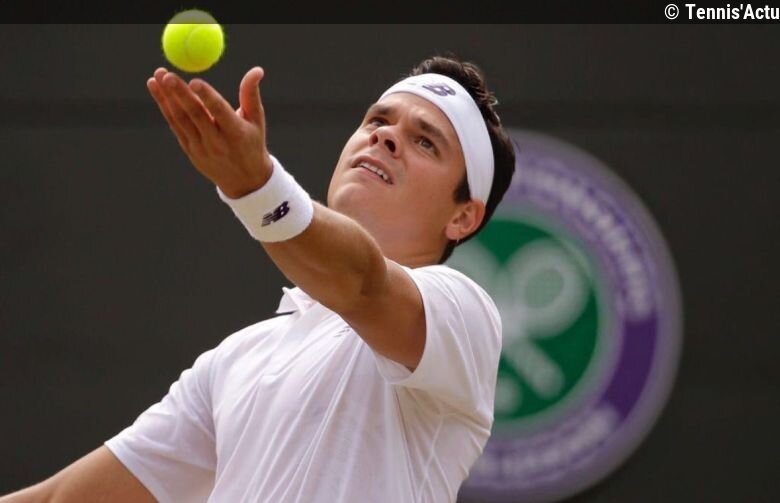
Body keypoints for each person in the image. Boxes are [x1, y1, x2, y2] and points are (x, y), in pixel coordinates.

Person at [1, 54, 515, 502]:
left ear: (462, 217)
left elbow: (363, 282)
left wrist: (257, 186)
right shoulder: (236, 359)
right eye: (378, 120)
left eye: (425, 142)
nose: (386, 136)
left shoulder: (463, 314)